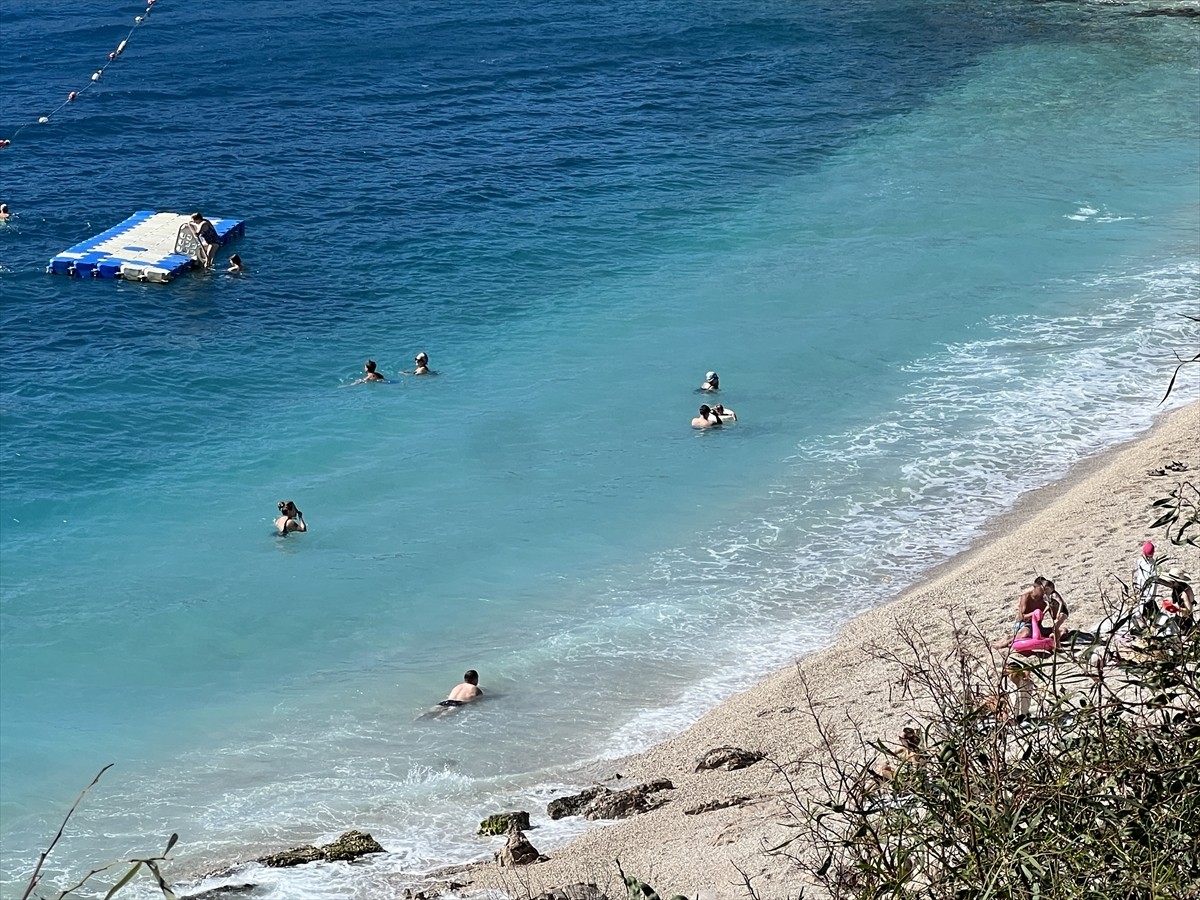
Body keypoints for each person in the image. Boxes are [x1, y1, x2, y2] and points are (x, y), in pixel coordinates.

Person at [993, 580, 1048, 649]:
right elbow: (1022, 617)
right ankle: (1008, 640)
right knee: (1026, 634)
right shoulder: (1026, 596)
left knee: (1058, 631)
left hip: (1036, 625)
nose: (1044, 591)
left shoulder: (1045, 602)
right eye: (1043, 588)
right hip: (1024, 624)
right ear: (1035, 586)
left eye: (1046, 589)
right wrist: (1034, 614)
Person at [1133, 541, 1158, 606]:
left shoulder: (1152, 566)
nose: (1149, 558)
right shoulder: (1140, 561)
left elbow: (1153, 583)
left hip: (1148, 593)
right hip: (1140, 589)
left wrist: (1149, 598)